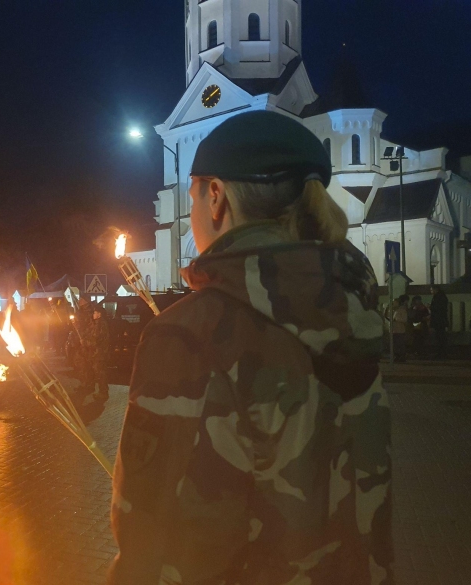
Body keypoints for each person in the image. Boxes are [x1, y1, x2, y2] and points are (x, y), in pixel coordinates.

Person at [109, 111, 391, 584]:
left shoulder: (192, 335)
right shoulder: (348, 313)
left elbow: (154, 542)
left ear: (216, 198)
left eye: (194, 194)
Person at [430, 285, 449, 358]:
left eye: (431, 290)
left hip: (439, 320)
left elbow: (438, 308)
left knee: (440, 337)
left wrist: (430, 307)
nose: (431, 292)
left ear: (436, 290)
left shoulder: (438, 297)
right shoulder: (442, 296)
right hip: (441, 320)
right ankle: (442, 353)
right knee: (441, 336)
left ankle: (442, 353)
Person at [392, 295, 409, 361]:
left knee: (400, 343)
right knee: (395, 344)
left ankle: (401, 356)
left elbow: (404, 319)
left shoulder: (402, 310)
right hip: (394, 330)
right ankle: (397, 355)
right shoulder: (394, 310)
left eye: (394, 302)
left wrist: (397, 319)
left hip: (400, 330)